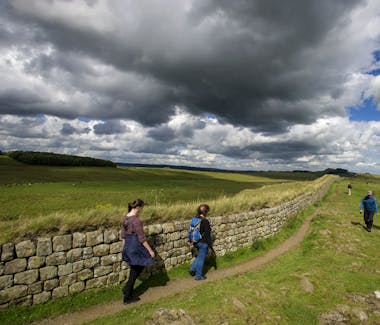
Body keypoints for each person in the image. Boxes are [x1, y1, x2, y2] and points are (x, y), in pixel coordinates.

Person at [120, 199, 155, 304]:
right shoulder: (136, 221)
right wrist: (150, 251)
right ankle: (127, 297)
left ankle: (126, 289)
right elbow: (142, 239)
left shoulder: (125, 218)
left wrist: (125, 247)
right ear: (138, 207)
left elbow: (122, 235)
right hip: (135, 247)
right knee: (136, 270)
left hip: (128, 246)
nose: (141, 210)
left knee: (135, 269)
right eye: (142, 208)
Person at [188, 204, 212, 281]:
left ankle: (192, 269)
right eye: (207, 211)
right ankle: (198, 276)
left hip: (195, 241)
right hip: (203, 242)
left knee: (199, 257)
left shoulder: (194, 219)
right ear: (205, 212)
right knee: (201, 258)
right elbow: (207, 234)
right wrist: (209, 244)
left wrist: (190, 240)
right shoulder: (205, 221)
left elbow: (190, 230)